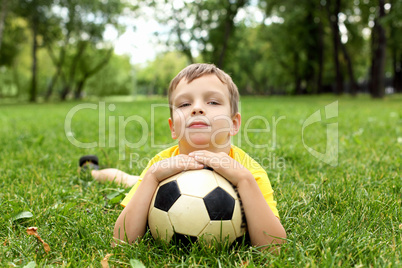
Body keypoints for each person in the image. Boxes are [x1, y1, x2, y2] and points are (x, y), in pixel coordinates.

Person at [82, 63, 286, 251]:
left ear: (234, 123)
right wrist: (152, 178)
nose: (197, 109)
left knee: (131, 179)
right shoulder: (161, 165)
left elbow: (275, 247)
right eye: (184, 104)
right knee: (128, 179)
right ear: (173, 128)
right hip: (156, 174)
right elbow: (121, 241)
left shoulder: (249, 172)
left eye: (213, 101)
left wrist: (243, 180)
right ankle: (93, 171)